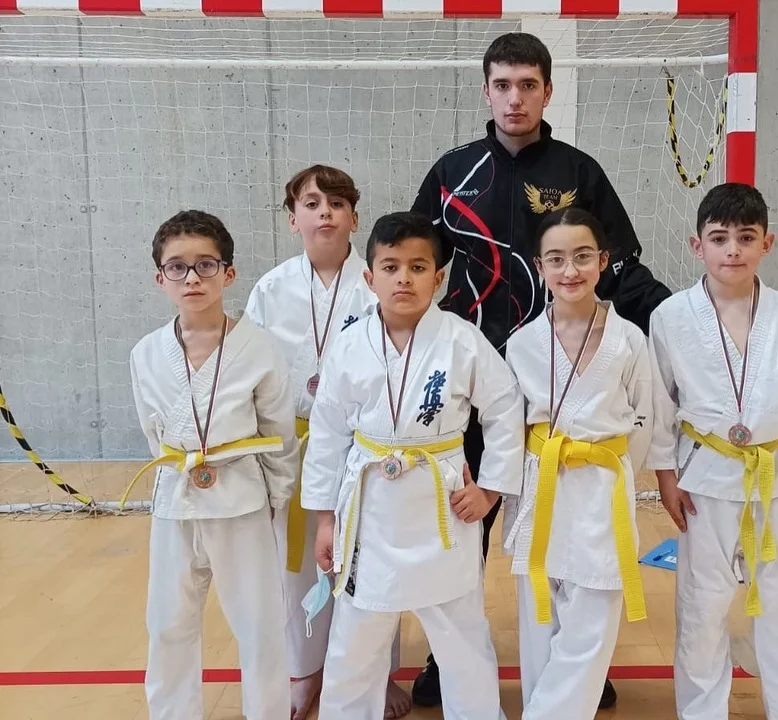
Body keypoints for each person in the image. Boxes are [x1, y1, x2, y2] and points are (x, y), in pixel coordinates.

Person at [409, 30, 671, 708]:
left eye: (528, 84)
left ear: (548, 91)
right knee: (464, 522)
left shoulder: (579, 171)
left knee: (567, 529)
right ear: (485, 91)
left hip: (554, 380)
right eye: (502, 84)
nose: (514, 98)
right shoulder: (453, 171)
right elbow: (413, 265)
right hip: (468, 380)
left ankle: (574, 662)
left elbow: (618, 268)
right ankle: (448, 658)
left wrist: (682, 319)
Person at [301, 211, 525, 719]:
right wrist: (325, 519)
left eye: (418, 267)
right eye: (391, 266)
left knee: (462, 637)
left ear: (439, 278)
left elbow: (506, 406)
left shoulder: (462, 339)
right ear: (369, 277)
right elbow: (327, 434)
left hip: (442, 504)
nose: (404, 278)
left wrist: (490, 488)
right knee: (355, 639)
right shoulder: (349, 345)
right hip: (369, 508)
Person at [646, 183, 778, 719]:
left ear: (767, 244)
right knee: (702, 602)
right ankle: (701, 709)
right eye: (719, 238)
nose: (733, 250)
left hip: (772, 473)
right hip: (703, 476)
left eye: (746, 238)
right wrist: (664, 475)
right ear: (696, 245)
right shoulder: (671, 316)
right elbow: (661, 404)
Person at [245, 165, 410, 720]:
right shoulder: (271, 288)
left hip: (365, 442)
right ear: (293, 219)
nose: (325, 212)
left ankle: (376, 674)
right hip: (293, 439)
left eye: (337, 203)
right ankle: (305, 671)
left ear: (354, 219)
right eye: (312, 203)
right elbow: (252, 371)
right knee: (295, 567)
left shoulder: (378, 280)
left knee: (370, 558)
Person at [129, 210, 299, 719]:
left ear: (229, 273)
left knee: (259, 624)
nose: (192, 278)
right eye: (177, 267)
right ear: (160, 278)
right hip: (175, 500)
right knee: (167, 623)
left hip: (242, 500)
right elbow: (153, 434)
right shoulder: (145, 354)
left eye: (206, 265)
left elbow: (279, 434)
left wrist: (277, 499)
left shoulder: (260, 348)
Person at [503, 208, 654, 718]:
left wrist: (606, 463)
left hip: (601, 488)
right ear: (539, 266)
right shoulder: (522, 343)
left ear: (604, 261)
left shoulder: (629, 339)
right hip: (540, 485)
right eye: (556, 259)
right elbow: (509, 426)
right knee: (539, 621)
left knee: (591, 623)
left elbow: (644, 419)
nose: (570, 270)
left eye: (583, 257)